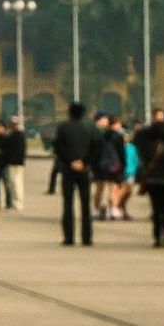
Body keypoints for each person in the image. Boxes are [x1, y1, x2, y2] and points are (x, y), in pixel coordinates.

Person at [51, 102, 98, 246]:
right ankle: (87, 237)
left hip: (68, 169)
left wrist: (70, 161)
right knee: (85, 204)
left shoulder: (63, 128)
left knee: (68, 203)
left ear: (70, 112)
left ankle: (69, 237)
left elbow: (57, 147)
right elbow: (96, 148)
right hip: (84, 170)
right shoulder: (91, 128)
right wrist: (84, 162)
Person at [131, 108, 164, 247]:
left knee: (156, 209)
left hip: (152, 179)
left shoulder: (145, 142)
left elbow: (138, 149)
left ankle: (157, 237)